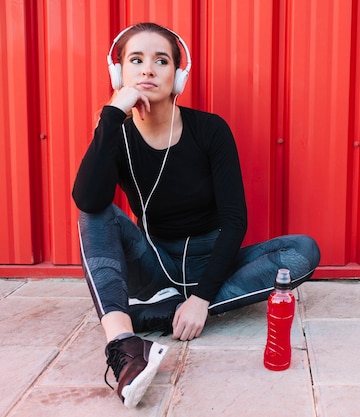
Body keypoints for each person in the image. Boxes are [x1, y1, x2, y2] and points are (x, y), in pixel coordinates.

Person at [72, 22, 320, 408]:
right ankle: (125, 344)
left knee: (302, 250)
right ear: (119, 73)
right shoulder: (116, 135)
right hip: (155, 265)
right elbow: (88, 200)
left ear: (178, 75)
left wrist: (201, 298)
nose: (148, 70)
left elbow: (235, 219)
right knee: (93, 215)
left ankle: (161, 314)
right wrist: (110, 116)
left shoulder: (209, 130)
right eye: (136, 60)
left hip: (213, 263)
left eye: (161, 60)